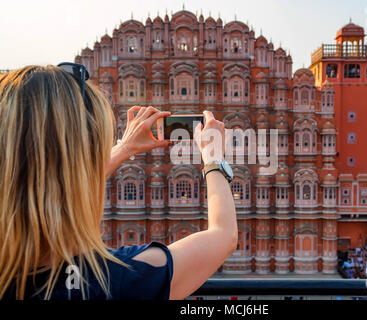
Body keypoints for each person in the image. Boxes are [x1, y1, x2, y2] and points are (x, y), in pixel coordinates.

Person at [0, 65, 237, 300]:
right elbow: (224, 236)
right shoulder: (115, 280)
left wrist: (125, 147)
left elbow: (55, 185)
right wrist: (213, 158)